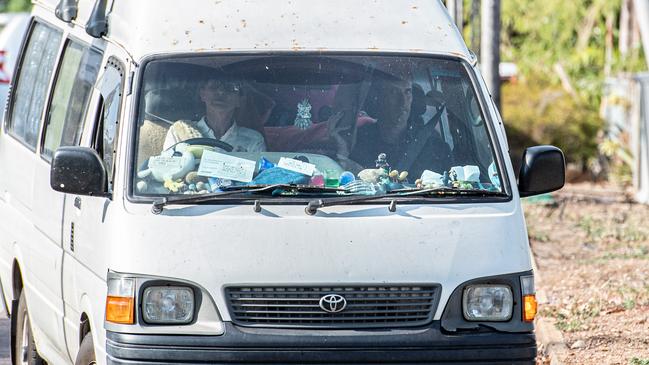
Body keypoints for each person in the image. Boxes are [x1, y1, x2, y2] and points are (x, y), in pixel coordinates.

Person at [162, 77, 266, 152]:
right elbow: (167, 173)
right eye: (214, 86)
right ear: (202, 94)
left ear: (239, 100)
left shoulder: (253, 140)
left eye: (230, 88)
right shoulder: (180, 132)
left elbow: (260, 179)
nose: (221, 92)